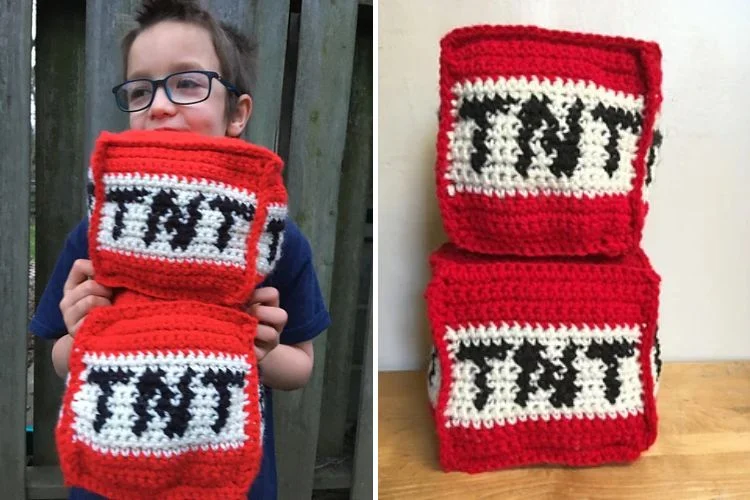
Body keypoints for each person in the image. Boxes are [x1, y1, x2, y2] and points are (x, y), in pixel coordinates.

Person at [28, 1, 331, 498]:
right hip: (114, 475)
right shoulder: (98, 231)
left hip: (231, 476)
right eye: (141, 89)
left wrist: (262, 351)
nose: (159, 105)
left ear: (237, 113)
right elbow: (61, 357)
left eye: (188, 83)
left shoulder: (268, 236)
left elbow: (301, 366)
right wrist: (79, 330)